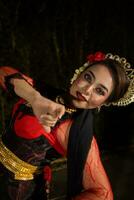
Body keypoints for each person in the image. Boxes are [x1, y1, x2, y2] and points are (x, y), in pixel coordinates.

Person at [0, 51, 133, 200]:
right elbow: (5, 72)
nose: (86, 90)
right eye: (88, 77)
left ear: (104, 102)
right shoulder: (44, 91)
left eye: (100, 91)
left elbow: (103, 194)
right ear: (79, 74)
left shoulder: (74, 131)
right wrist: (35, 98)